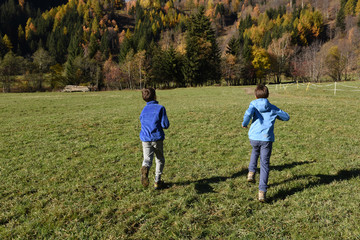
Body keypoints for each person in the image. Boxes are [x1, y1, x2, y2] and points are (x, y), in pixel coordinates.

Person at [242, 84, 290, 202]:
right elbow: (286, 117)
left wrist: (244, 123)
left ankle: (251, 173)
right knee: (264, 164)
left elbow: (248, 114)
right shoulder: (272, 107)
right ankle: (262, 192)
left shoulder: (253, 105)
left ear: (255, 95)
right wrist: (276, 115)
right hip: (266, 139)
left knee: (254, 151)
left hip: (253, 137)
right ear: (268, 95)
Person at [139, 88, 170, 190]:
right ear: (155, 96)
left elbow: (142, 121)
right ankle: (157, 181)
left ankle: (145, 168)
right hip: (157, 138)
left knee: (147, 159)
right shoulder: (160, 108)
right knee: (160, 159)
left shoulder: (143, 110)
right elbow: (165, 124)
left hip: (145, 138)